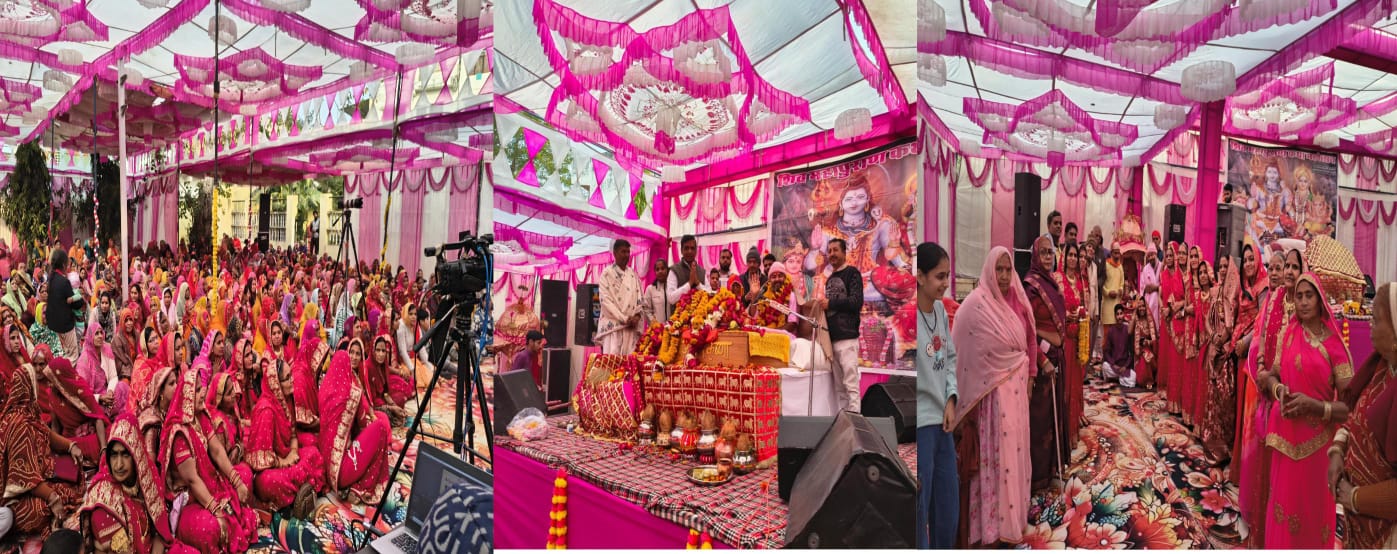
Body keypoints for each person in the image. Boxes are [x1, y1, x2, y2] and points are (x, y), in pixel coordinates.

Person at [1254, 272, 1352, 548]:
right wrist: (1278, 391)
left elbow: (1350, 408)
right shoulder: (1287, 334)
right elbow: (1272, 376)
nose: (1304, 301)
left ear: (1320, 301)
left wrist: (1316, 407)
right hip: (1285, 441)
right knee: (1282, 511)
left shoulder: (1335, 346)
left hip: (1318, 449)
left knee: (1311, 518)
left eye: (1310, 295)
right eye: (1299, 296)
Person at [949, 246, 1035, 547]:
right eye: (998, 269)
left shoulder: (1018, 301)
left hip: (1017, 394)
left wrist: (1030, 374)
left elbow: (1028, 342)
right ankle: (991, 527)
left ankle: (1012, 521)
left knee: (1015, 454)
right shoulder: (976, 304)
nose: (1004, 276)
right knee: (997, 459)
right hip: (991, 399)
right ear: (988, 270)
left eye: (1008, 270)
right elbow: (961, 348)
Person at [1331, 283, 1397, 548]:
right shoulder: (1381, 367)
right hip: (1359, 523)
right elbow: (1356, 415)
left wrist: (1355, 498)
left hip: (1386, 534)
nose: (1369, 323)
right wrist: (1337, 450)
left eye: (1376, 319)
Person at [78, 414, 173, 554]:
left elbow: (160, 531)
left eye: (125, 454)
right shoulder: (104, 501)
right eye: (114, 455)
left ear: (136, 454)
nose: (118, 465)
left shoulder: (145, 477)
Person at [915, 242, 957, 548]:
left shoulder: (940, 310)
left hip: (943, 422)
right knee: (919, 507)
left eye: (947, 276)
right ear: (919, 276)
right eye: (939, 276)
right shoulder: (908, 318)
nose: (945, 283)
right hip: (920, 426)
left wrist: (951, 398)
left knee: (947, 507)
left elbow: (950, 358)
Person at [248, 356, 323, 519]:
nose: (292, 380)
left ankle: (296, 498)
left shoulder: (287, 400)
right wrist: (285, 462)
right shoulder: (266, 411)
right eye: (287, 378)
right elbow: (261, 460)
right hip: (270, 469)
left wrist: (294, 451)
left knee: (314, 453)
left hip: (288, 457)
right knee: (269, 482)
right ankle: (300, 494)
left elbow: (293, 433)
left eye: (291, 376)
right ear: (276, 384)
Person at [317, 351, 391, 505]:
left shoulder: (324, 388)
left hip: (326, 467)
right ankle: (360, 487)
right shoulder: (352, 393)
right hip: (343, 472)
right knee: (380, 428)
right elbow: (362, 425)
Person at [1023, 235, 1067, 485]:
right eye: (1044, 252)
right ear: (1035, 256)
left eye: (1051, 252)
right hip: (1041, 362)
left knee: (1054, 415)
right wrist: (1042, 357)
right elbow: (1026, 329)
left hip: (1058, 357)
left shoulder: (1052, 283)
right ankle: (1037, 475)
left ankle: (1051, 469)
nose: (1049, 257)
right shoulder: (1030, 287)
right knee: (1040, 420)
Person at [1230, 243, 1269, 476]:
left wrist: (1244, 342)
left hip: (1252, 353)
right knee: (1240, 407)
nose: (1248, 264)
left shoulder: (1263, 286)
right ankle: (1239, 461)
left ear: (1258, 260)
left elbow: (1262, 321)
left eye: (1251, 259)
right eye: (1245, 260)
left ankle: (1247, 467)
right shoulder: (1246, 286)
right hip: (1240, 351)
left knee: (1249, 410)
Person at [1202, 257, 1238, 462]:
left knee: (1225, 400)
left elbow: (1232, 325)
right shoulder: (1215, 292)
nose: (1223, 269)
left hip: (1225, 354)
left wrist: (1221, 341)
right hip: (1214, 348)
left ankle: (1225, 448)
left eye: (1226, 266)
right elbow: (1208, 319)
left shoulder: (1233, 293)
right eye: (1220, 266)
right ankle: (1213, 444)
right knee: (1213, 398)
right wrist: (1213, 337)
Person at [822, 238, 864, 412]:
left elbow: (856, 302)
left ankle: (854, 424)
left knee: (851, 386)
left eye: (835, 250)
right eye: (829, 251)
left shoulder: (852, 273)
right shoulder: (829, 279)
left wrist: (830, 303)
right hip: (831, 341)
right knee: (839, 389)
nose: (832, 254)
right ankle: (844, 423)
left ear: (844, 252)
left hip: (847, 339)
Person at [1057, 243, 1087, 448]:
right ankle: (1062, 433)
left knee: (1075, 383)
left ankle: (1073, 428)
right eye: (1071, 255)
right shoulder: (1058, 279)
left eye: (1076, 255)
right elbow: (1055, 307)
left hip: (1076, 338)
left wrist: (1081, 313)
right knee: (1065, 383)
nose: (1073, 259)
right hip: (1064, 339)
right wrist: (1067, 315)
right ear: (1064, 257)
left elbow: (1083, 306)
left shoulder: (1079, 281)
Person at [596, 239, 644, 356]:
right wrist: (624, 318)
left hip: (630, 328)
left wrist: (637, 317)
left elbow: (640, 299)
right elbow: (605, 301)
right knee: (612, 361)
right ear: (615, 253)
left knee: (629, 363)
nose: (626, 255)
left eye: (628, 252)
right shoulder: (606, 274)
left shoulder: (633, 275)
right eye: (623, 252)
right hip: (613, 328)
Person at [45, 249, 82, 361]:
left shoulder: (51, 279)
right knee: (73, 357)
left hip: (54, 325)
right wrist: (80, 297)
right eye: (68, 264)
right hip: (65, 326)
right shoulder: (64, 281)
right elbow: (75, 304)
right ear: (63, 265)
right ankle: (65, 372)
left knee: (63, 355)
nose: (68, 267)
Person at [666, 235, 705, 305]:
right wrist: (689, 283)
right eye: (686, 248)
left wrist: (697, 283)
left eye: (692, 248)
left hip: (701, 311)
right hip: (679, 312)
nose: (689, 251)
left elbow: (709, 294)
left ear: (696, 251)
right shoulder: (674, 270)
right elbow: (671, 298)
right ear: (681, 250)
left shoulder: (702, 271)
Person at [1102, 304, 1134, 387]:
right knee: (1105, 366)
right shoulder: (1111, 330)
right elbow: (1106, 351)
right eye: (1117, 314)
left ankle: (1116, 378)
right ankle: (1120, 378)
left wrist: (1125, 366)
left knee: (1133, 379)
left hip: (1124, 367)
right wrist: (1113, 364)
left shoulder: (1127, 329)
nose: (1119, 317)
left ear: (1124, 314)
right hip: (1114, 366)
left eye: (1121, 314)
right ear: (1115, 316)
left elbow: (1131, 352)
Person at [642, 260, 671, 328]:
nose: (660, 271)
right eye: (657, 269)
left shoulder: (672, 287)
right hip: (656, 330)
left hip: (673, 329)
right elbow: (646, 309)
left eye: (662, 268)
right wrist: (654, 323)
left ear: (667, 270)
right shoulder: (650, 289)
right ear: (655, 272)